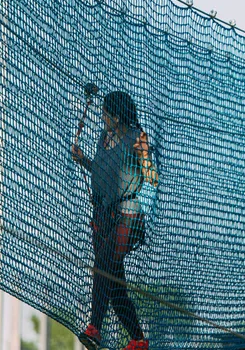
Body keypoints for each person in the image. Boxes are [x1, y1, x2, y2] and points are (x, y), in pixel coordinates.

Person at [72, 91, 158, 350]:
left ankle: (94, 328)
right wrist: (83, 159)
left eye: (105, 113)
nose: (102, 117)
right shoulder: (104, 138)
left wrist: (146, 159)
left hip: (129, 217)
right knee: (115, 284)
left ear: (116, 116)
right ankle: (138, 339)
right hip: (105, 217)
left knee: (103, 263)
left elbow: (151, 178)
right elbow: (102, 172)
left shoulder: (136, 138)